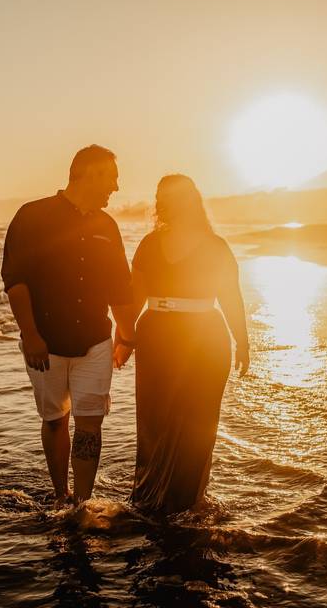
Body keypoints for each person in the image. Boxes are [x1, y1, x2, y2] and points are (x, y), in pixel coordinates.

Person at [2, 145, 138, 508]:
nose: (116, 187)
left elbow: (120, 288)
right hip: (44, 342)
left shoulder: (107, 226)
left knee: (90, 423)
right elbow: (16, 281)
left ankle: (81, 502)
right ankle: (60, 493)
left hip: (95, 341)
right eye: (111, 177)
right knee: (54, 420)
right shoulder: (32, 216)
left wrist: (126, 336)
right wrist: (30, 335)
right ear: (89, 173)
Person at [114, 174, 250, 515]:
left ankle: (182, 500)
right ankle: (156, 499)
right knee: (157, 422)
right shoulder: (152, 244)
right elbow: (135, 298)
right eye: (162, 196)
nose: (164, 203)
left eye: (168, 197)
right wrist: (125, 336)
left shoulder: (214, 246)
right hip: (164, 337)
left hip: (201, 338)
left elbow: (230, 296)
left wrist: (242, 340)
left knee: (195, 422)